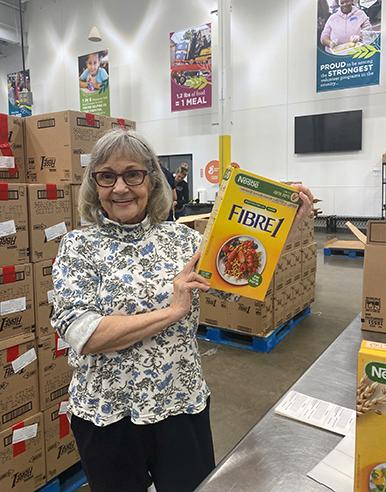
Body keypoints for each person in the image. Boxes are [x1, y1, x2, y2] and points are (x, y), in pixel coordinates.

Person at [51, 128, 313, 492]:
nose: (120, 187)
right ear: (94, 185)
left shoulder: (185, 240)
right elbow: (84, 334)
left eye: (133, 174)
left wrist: (282, 230)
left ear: (152, 180)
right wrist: (172, 313)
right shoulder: (78, 246)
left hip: (180, 403)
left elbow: (235, 292)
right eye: (107, 176)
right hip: (106, 414)